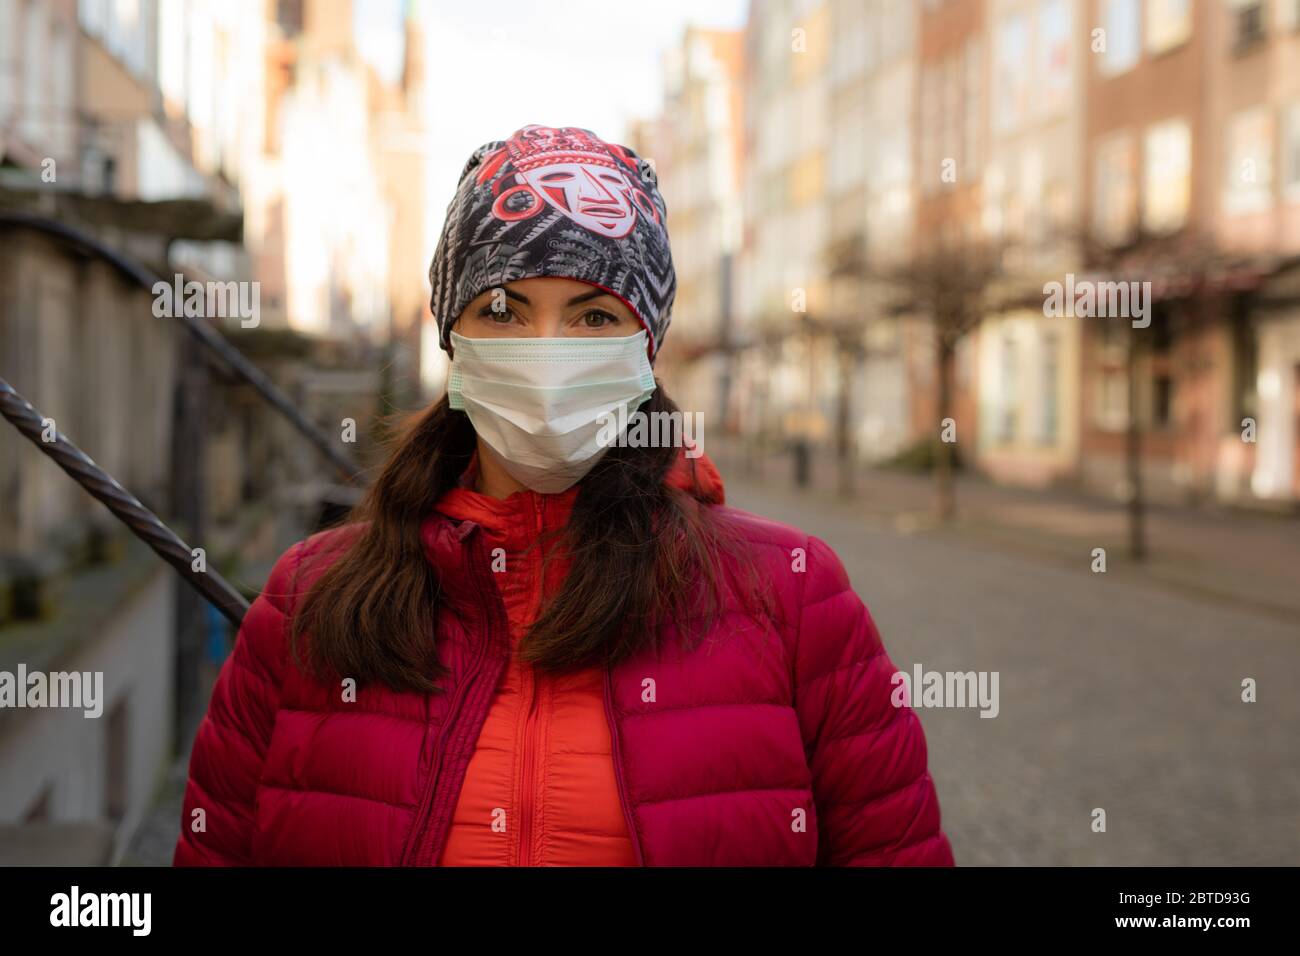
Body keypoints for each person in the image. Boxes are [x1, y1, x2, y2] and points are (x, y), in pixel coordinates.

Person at [173, 124, 954, 867]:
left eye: (593, 315)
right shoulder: (311, 598)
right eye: (505, 310)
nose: (547, 349)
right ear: (455, 337)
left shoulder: (792, 599)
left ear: (645, 349)